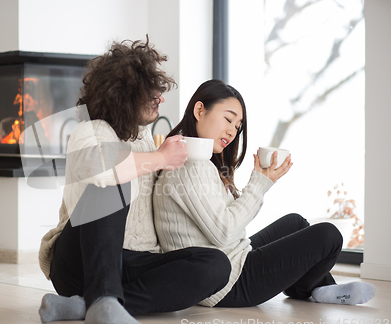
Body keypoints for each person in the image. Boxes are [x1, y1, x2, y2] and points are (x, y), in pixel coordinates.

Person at [37, 39, 231, 324]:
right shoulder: (90, 129)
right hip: (77, 264)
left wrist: (176, 164)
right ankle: (101, 298)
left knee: (216, 264)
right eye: (153, 90)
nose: (161, 98)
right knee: (113, 182)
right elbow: (102, 169)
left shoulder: (143, 137)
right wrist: (158, 157)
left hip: (129, 261)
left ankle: (90, 306)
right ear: (125, 92)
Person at [153, 79, 376, 308]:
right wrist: (259, 183)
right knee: (329, 235)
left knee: (295, 222)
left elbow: (226, 227)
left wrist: (261, 183)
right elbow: (225, 231)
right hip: (226, 283)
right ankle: (310, 288)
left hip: (233, 259)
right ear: (199, 110)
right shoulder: (190, 164)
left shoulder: (191, 156)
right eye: (228, 119)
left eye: (237, 126)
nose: (232, 131)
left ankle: (318, 287)